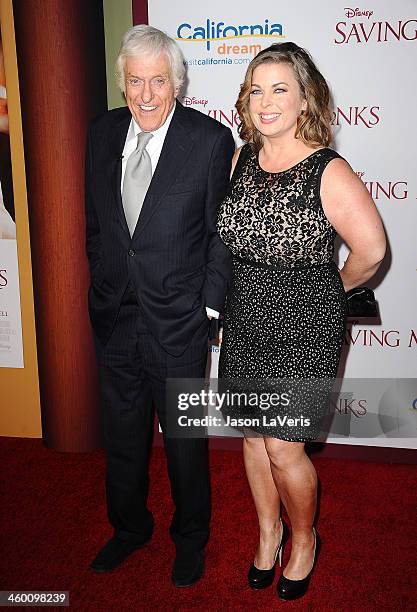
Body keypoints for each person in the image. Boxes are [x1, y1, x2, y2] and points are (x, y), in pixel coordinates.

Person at [217, 42, 386, 600]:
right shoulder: (243, 158)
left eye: (280, 88)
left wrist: (325, 294)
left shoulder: (326, 170)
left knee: (286, 447)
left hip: (305, 328)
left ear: (304, 97)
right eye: (256, 89)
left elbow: (371, 251)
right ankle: (267, 534)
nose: (266, 102)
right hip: (246, 319)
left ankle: (305, 537)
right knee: (253, 438)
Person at [85, 25, 234, 587]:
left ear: (177, 83)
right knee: (121, 438)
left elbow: (223, 232)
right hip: (116, 316)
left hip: (180, 321)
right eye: (134, 82)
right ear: (122, 83)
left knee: (183, 443)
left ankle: (190, 537)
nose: (146, 96)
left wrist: (209, 307)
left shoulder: (210, 140)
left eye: (158, 81)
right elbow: (96, 225)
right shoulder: (100, 133)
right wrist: (100, 281)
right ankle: (129, 528)